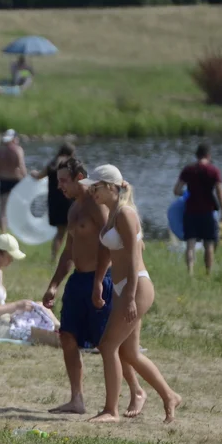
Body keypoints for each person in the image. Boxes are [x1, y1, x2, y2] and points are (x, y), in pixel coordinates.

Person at [42, 159, 143, 416]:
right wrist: (54, 285)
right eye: (57, 181)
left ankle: (136, 390)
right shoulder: (73, 209)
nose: (59, 186)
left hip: (101, 280)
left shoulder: (98, 206)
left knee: (108, 342)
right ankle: (77, 399)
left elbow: (107, 245)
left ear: (79, 177)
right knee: (67, 336)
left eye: (64, 180)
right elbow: (68, 250)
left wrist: (99, 282)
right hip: (78, 280)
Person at [83, 166, 182, 424]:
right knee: (129, 353)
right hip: (122, 287)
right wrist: (98, 282)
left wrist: (128, 296)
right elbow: (106, 250)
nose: (91, 191)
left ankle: (110, 411)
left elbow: (136, 257)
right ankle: (169, 395)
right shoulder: (112, 213)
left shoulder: (126, 213)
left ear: (109, 187)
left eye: (95, 187)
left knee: (107, 346)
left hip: (136, 286)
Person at [0, 233, 59, 340]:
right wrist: (16, 306)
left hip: (3, 319)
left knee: (39, 306)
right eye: (9, 256)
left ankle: (62, 328)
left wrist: (17, 308)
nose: (11, 260)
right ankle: (60, 337)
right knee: (35, 331)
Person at [174, 143, 222, 276]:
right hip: (208, 211)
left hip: (191, 211)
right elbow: (220, 194)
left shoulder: (188, 170)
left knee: (190, 243)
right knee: (209, 244)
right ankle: (208, 273)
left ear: (196, 155)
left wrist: (186, 194)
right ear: (208, 155)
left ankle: (190, 273)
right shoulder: (213, 171)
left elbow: (176, 190)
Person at [33, 142, 76, 261]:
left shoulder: (51, 164)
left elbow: (38, 176)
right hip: (68, 200)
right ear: (71, 153)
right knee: (73, 232)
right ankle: (71, 258)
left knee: (60, 233)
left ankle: (54, 258)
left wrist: (33, 173)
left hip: (54, 201)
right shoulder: (70, 164)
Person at [0, 129, 26, 233]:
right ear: (14, 139)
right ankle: (20, 231)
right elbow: (21, 166)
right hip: (16, 180)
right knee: (19, 207)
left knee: (3, 209)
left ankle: (3, 232)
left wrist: (0, 177)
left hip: (3, 180)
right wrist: (26, 179)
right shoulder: (17, 150)